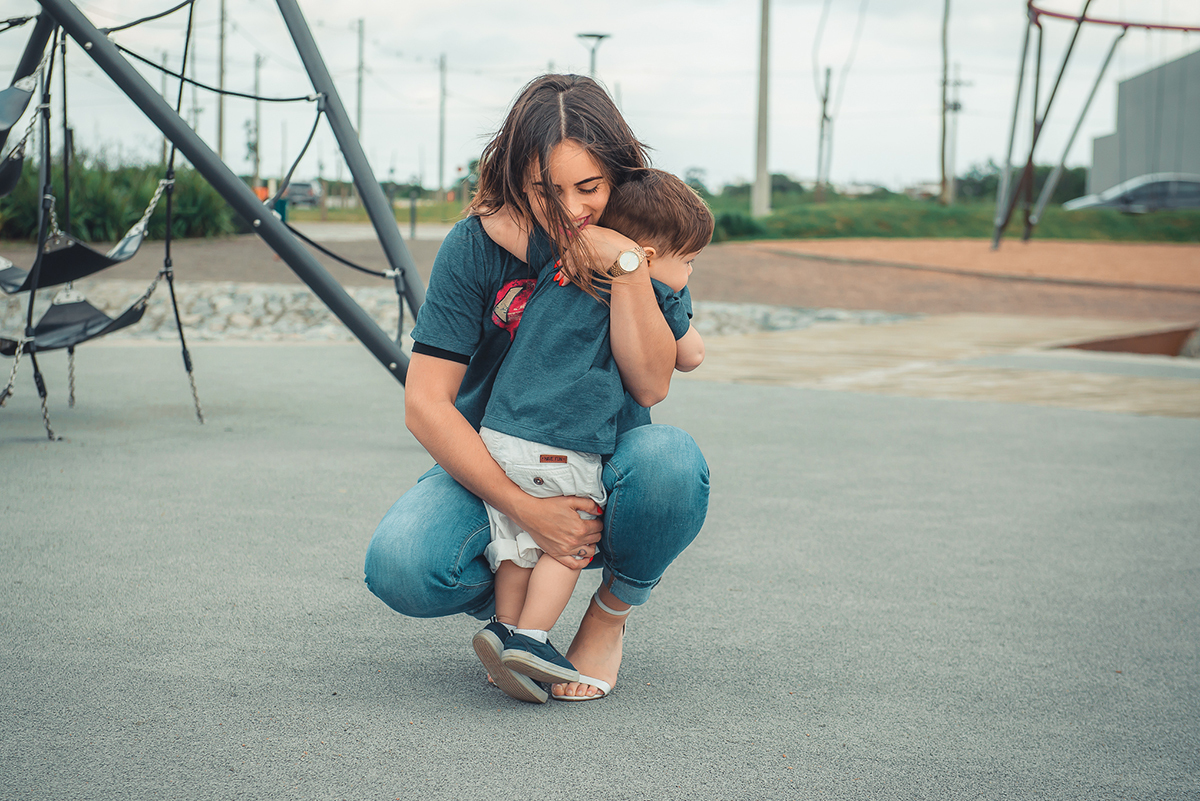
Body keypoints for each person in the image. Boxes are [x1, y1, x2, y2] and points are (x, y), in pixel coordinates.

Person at [363, 74, 711, 703]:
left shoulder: (642, 244)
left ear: (620, 176)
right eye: (546, 190)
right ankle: (515, 623)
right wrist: (525, 511)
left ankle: (607, 615)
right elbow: (425, 403)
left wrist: (626, 266)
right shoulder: (477, 245)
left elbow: (653, 384)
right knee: (402, 563)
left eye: (590, 188)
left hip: (599, 465)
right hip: (498, 458)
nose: (573, 209)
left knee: (671, 463)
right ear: (514, 179)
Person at [472, 168, 713, 699]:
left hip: (500, 434)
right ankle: (532, 640)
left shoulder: (561, 261)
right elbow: (692, 357)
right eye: (689, 261)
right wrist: (667, 302)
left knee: (517, 542)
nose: (690, 274)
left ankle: (503, 634)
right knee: (567, 540)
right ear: (648, 257)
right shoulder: (650, 288)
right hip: (563, 441)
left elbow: (493, 216)